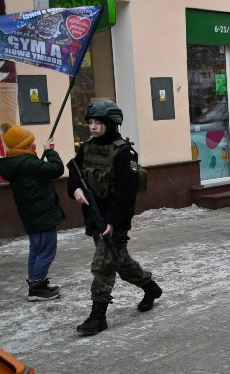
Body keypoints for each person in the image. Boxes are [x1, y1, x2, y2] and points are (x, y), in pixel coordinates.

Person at [67, 100, 163, 335]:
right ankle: (151, 288)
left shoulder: (123, 152)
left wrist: (112, 220)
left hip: (113, 219)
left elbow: (126, 192)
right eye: (90, 122)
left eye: (98, 123)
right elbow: (75, 172)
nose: (93, 127)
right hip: (93, 216)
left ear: (111, 124)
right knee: (119, 261)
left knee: (102, 265)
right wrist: (75, 190)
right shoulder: (87, 147)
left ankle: (97, 316)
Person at [0, 123, 65, 301]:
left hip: (32, 215)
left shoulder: (16, 164)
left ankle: (37, 282)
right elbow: (56, 169)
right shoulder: (29, 164)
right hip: (41, 215)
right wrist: (50, 151)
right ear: (23, 146)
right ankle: (36, 288)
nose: (33, 146)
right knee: (46, 251)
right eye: (30, 143)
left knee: (36, 250)